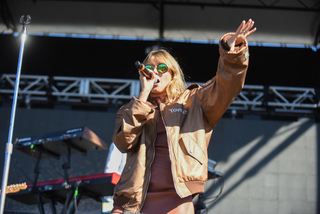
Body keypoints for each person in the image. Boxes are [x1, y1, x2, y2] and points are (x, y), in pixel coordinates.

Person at [110, 19, 257, 214]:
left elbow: (226, 86)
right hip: (133, 202)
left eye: (162, 69)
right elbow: (123, 142)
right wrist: (143, 96)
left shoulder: (193, 101)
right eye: (150, 69)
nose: (155, 73)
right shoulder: (133, 108)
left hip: (176, 198)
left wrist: (232, 53)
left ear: (173, 75)